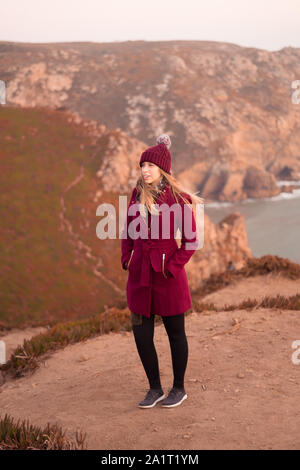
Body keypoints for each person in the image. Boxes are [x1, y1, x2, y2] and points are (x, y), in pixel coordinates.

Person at [121, 134, 203, 409]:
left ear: (162, 169)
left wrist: (172, 266)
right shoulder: (135, 194)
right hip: (140, 277)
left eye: (150, 166)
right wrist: (126, 257)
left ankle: (178, 388)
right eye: (142, 165)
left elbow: (191, 241)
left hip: (168, 278)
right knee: (141, 335)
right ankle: (154, 388)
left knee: (175, 334)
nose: (144, 170)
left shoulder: (178, 199)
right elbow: (127, 231)